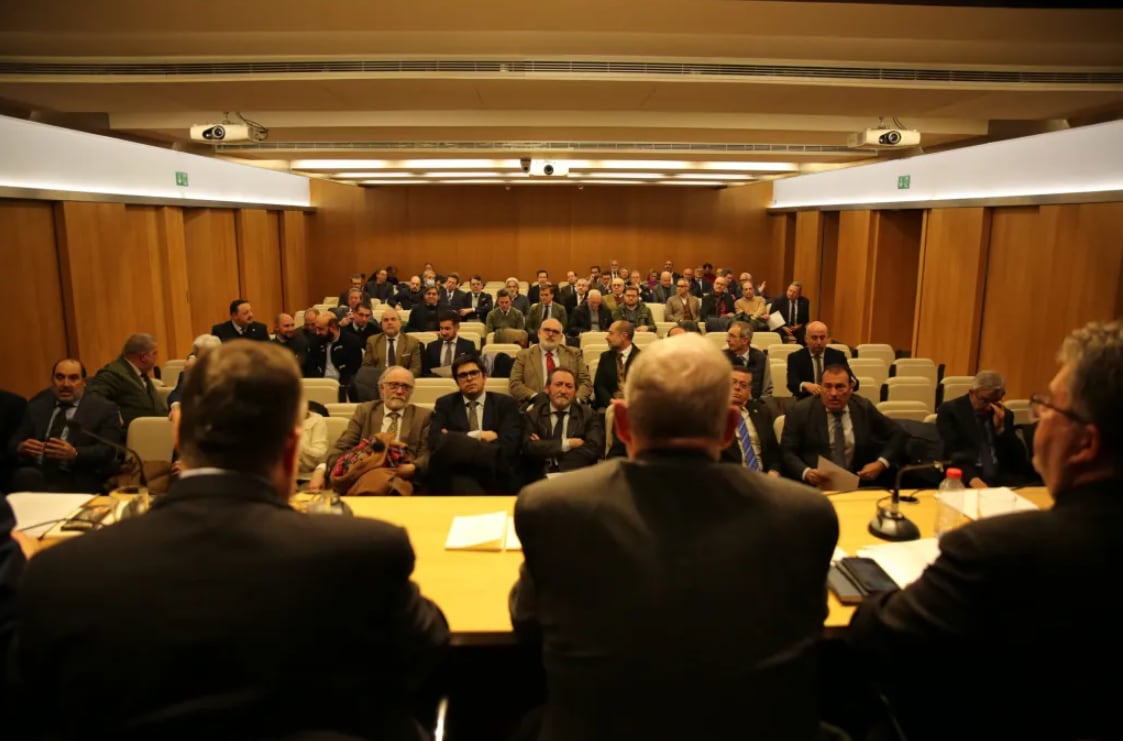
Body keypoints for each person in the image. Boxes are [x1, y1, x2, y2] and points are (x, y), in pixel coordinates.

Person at [9, 341, 449, 739]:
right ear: (292, 448)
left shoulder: (57, 575)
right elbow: (425, 655)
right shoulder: (361, 553)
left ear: (179, 437)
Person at [509, 333, 838, 740]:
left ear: (624, 423)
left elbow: (528, 628)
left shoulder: (551, 507)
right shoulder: (805, 515)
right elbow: (811, 627)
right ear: (730, 428)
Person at [848, 320, 1123, 741]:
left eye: (1049, 407)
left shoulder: (996, 549)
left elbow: (880, 634)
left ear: (1086, 444)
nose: (1040, 417)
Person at [780, 364, 904, 488]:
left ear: (850, 388)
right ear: (820, 388)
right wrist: (806, 472)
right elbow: (787, 451)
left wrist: (880, 463)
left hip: (859, 486)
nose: (833, 393)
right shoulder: (800, 411)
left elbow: (898, 433)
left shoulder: (863, 408)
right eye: (828, 387)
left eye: (840, 387)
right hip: (815, 488)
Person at [8, 359, 123, 493]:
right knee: (23, 476)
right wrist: (21, 447)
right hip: (38, 475)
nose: (65, 384)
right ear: (52, 381)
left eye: (73, 378)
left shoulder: (104, 409)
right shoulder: (37, 406)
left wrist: (75, 453)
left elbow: (109, 449)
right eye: (60, 377)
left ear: (84, 382)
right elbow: (13, 443)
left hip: (76, 476)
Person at [310, 366, 432, 492]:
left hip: (403, 475)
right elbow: (343, 445)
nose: (400, 391)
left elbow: (427, 453)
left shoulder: (422, 416)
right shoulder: (365, 411)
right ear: (382, 388)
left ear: (411, 392)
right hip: (365, 472)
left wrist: (413, 467)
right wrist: (320, 470)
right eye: (394, 385)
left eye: (405, 387)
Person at [428, 355, 521, 494]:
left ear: (484, 377)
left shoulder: (506, 404)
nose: (469, 378)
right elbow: (436, 442)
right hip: (457, 473)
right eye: (463, 375)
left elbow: (510, 446)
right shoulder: (444, 404)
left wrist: (454, 439)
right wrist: (480, 435)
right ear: (457, 381)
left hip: (496, 472)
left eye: (473, 373)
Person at [936, 370, 1036, 488]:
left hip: (1001, 479)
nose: (990, 407)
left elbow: (1019, 458)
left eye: (995, 401)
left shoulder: (1003, 414)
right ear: (971, 392)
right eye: (984, 400)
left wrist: (1001, 430)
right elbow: (952, 453)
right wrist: (973, 479)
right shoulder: (950, 411)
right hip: (968, 476)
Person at [520, 367, 605, 481]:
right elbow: (528, 448)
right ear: (547, 388)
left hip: (577, 478)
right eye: (559, 384)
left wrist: (547, 451)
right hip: (539, 480)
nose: (563, 391)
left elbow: (594, 449)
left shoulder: (589, 415)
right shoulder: (533, 415)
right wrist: (568, 443)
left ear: (575, 391)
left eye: (569, 386)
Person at [86, 333, 168, 425]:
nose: (156, 358)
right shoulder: (113, 374)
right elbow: (93, 399)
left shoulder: (139, 373)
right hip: (129, 435)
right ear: (143, 357)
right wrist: (115, 414)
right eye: (154, 353)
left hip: (153, 429)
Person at [509, 319, 593, 405]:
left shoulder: (574, 354)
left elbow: (586, 382)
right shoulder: (524, 356)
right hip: (535, 406)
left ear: (561, 337)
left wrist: (575, 400)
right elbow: (515, 383)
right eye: (547, 330)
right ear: (539, 333)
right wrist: (535, 397)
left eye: (555, 332)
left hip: (569, 405)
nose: (550, 334)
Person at [720, 362, 781, 474]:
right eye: (733, 382)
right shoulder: (714, 414)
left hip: (764, 478)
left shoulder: (761, 412)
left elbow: (773, 451)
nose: (737, 388)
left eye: (743, 385)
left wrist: (774, 470)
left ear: (749, 391)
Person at [786, 321, 857, 399]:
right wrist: (804, 385)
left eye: (822, 337)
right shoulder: (795, 357)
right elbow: (792, 383)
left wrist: (850, 383)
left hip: (833, 398)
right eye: (814, 338)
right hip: (805, 399)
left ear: (827, 339)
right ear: (806, 339)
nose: (819, 342)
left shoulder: (837, 356)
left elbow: (853, 381)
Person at [303, 313, 364, 396]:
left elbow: (353, 371)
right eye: (316, 329)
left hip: (343, 386)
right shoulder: (315, 341)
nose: (317, 332)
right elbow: (310, 367)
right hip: (319, 384)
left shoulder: (352, 342)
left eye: (320, 329)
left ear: (332, 328)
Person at [362, 308, 423, 379]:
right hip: (379, 381)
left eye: (393, 319)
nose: (389, 323)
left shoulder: (412, 342)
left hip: (403, 381)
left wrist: (399, 378)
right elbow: (367, 367)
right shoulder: (372, 341)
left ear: (400, 323)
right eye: (386, 320)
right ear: (381, 325)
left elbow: (416, 369)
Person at [593, 320, 640, 409]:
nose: (606, 337)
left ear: (624, 336)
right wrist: (612, 402)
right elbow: (599, 386)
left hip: (635, 407)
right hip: (610, 406)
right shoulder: (605, 357)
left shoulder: (642, 358)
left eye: (611, 333)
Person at [723, 320, 772, 399]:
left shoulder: (761, 358)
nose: (728, 339)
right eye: (728, 336)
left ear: (745, 340)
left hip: (755, 405)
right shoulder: (722, 358)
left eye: (732, 336)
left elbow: (767, 391)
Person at [422, 311, 478, 377]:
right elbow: (425, 372)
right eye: (441, 328)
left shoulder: (468, 346)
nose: (443, 333)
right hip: (437, 384)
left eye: (447, 329)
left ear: (457, 327)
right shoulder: (431, 347)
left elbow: (473, 370)